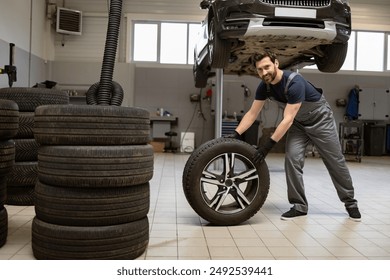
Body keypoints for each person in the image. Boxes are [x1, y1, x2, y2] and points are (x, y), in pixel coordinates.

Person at [229, 51, 361, 222]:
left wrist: (266, 147)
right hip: (299, 124)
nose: (264, 73)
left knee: (335, 161)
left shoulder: (294, 82)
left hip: (320, 120)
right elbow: (252, 114)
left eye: (267, 67)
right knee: (292, 160)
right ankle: (299, 206)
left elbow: (287, 119)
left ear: (276, 63)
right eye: (260, 70)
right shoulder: (264, 86)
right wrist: (236, 133)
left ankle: (350, 203)